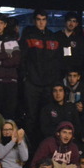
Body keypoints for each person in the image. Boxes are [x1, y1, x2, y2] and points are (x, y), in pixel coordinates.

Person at [20, 10, 60, 139]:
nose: (41, 22)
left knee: (47, 116)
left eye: (43, 19)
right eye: (38, 19)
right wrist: (25, 77)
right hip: (32, 83)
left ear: (47, 21)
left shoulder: (53, 37)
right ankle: (30, 146)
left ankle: (46, 145)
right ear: (34, 21)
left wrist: (55, 80)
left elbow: (57, 61)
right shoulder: (28, 36)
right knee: (31, 116)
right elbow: (22, 59)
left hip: (49, 83)